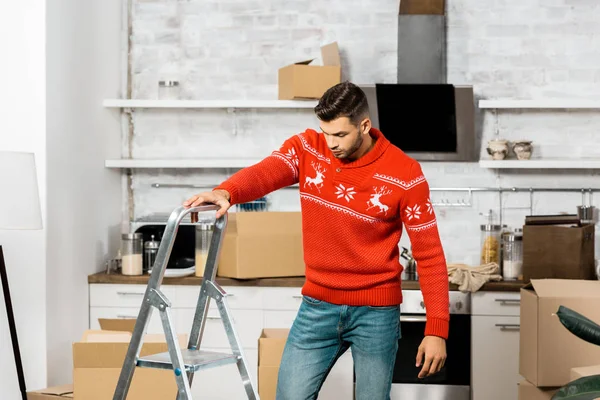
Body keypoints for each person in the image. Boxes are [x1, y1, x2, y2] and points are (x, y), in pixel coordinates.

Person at [183, 81, 450, 400]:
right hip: (317, 307)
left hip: (376, 313)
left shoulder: (405, 174)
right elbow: (266, 172)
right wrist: (227, 191)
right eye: (326, 132)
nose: (331, 143)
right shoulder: (307, 148)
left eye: (340, 134)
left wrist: (436, 330)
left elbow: (430, 256)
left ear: (364, 126)